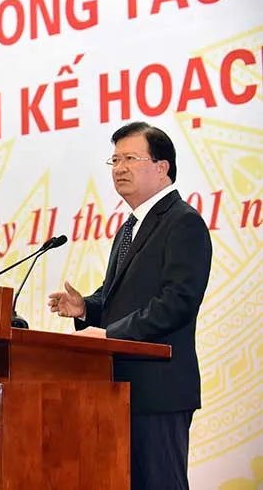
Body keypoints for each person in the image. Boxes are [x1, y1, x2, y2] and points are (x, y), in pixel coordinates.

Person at [48, 121, 212, 490]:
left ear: (162, 167)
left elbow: (177, 302)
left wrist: (110, 335)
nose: (119, 168)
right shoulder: (130, 227)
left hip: (158, 389)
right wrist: (86, 308)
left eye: (130, 159)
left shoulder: (183, 222)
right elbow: (118, 296)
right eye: (115, 160)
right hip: (118, 388)